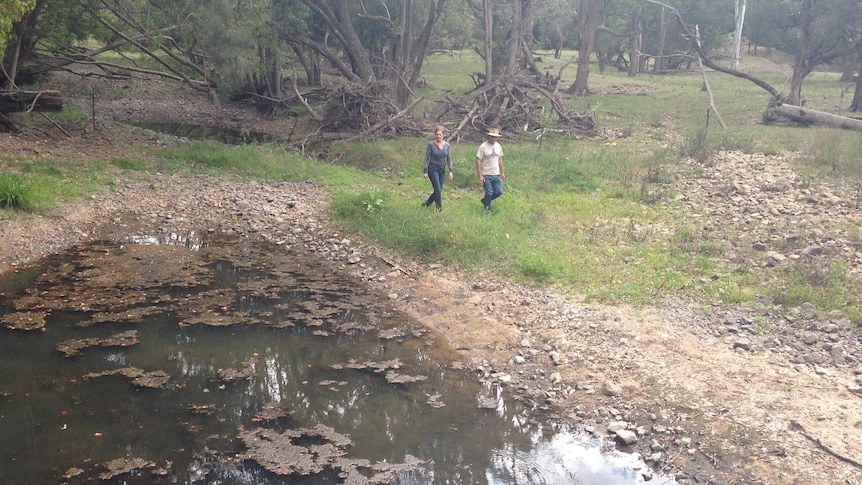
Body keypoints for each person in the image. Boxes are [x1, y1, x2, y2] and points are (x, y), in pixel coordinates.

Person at [422, 124, 454, 212]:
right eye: (437, 134)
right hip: (432, 169)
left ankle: (427, 203)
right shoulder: (431, 145)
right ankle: (439, 209)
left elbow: (449, 159)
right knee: (438, 189)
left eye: (440, 134)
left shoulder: (447, 145)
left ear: (443, 135)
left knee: (438, 190)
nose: (438, 136)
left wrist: (450, 171)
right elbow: (426, 158)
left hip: (442, 170)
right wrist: (425, 171)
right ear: (435, 135)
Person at [475, 127, 505, 211]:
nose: (494, 139)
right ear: (488, 136)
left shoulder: (498, 146)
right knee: (489, 193)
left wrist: (502, 172)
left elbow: (500, 159)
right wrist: (480, 175)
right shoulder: (483, 147)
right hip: (486, 174)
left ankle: (485, 201)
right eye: (492, 136)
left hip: (496, 174)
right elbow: (478, 161)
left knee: (499, 191)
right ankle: (487, 209)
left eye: (495, 137)